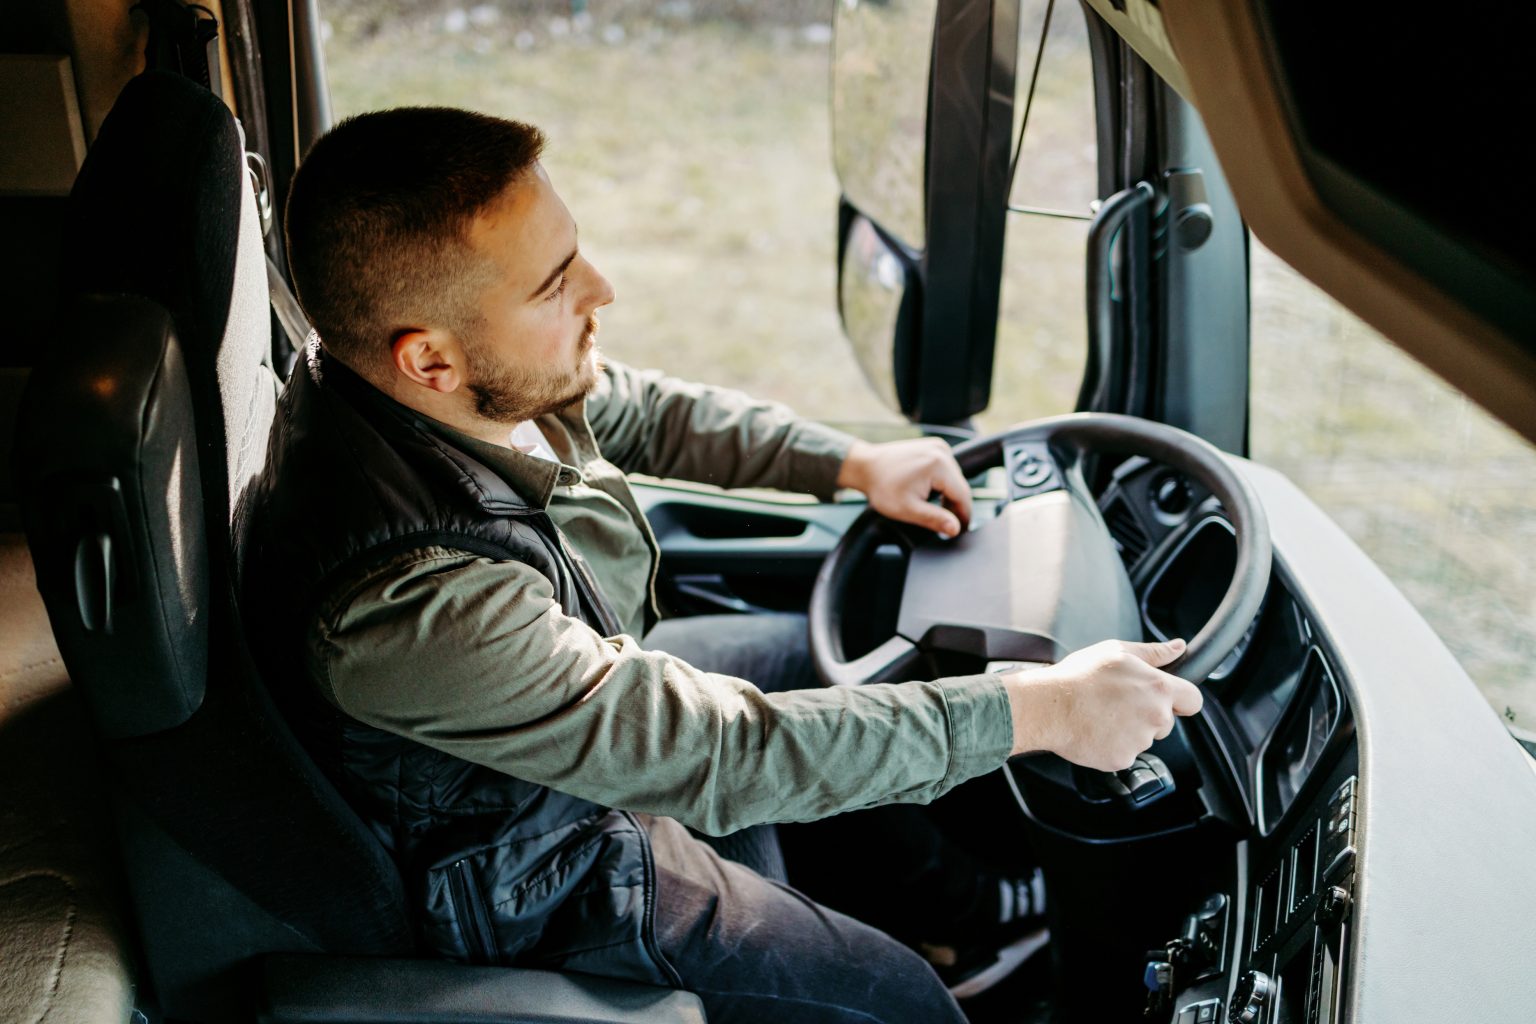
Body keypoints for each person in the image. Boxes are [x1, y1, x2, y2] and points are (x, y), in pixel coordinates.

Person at [237, 106, 1203, 1024]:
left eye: (574, 253)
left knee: (811, 658)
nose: (602, 290)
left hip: (554, 731)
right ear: (430, 360)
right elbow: (720, 757)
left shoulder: (440, 386)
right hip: (526, 857)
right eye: (554, 284)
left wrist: (852, 462)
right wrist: (1040, 711)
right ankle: (935, 961)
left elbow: (641, 409)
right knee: (891, 997)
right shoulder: (410, 604)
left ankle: (974, 907)